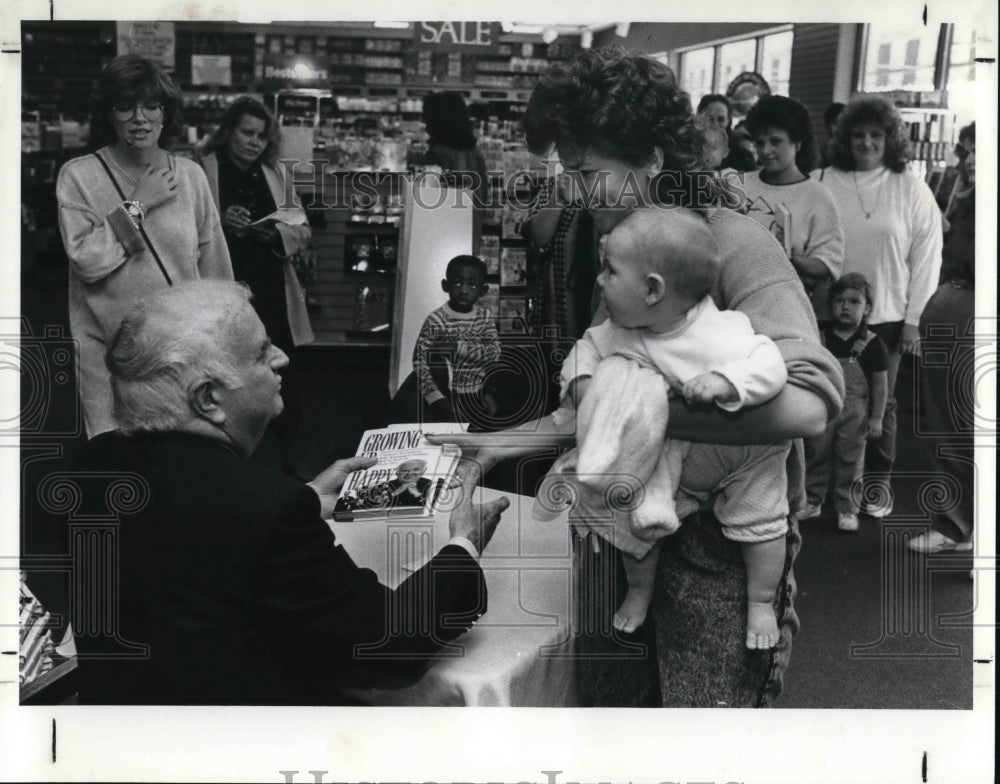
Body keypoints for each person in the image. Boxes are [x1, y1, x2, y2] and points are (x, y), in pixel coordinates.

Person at [431, 46, 844, 708]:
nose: (573, 188)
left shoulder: (729, 243)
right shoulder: (623, 243)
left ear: (652, 160)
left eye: (586, 170)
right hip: (624, 531)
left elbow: (809, 407)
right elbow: (603, 393)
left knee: (703, 737)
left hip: (721, 544)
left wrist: (635, 412)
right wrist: (506, 444)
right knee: (616, 719)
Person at [70, 280, 509, 704]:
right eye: (261, 353)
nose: (282, 358)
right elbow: (387, 646)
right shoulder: (262, 509)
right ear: (208, 399)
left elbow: (195, 552)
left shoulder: (94, 463)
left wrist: (305, 499)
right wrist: (462, 546)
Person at [537, 208, 790, 648]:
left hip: (745, 459)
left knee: (763, 522)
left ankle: (762, 602)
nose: (598, 281)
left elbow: (771, 366)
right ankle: (639, 590)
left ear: (652, 289)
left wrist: (727, 382)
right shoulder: (621, 328)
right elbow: (583, 350)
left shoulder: (720, 334)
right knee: (633, 516)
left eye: (610, 271)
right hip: (675, 456)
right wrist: (582, 384)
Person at [56, 54, 232, 438]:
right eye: (125, 106)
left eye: (151, 105)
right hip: (111, 359)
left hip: (182, 356)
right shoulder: (79, 175)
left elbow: (216, 270)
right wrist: (138, 204)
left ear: (166, 113)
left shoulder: (190, 176)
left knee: (183, 465)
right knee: (122, 470)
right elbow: (86, 260)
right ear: (108, 114)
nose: (140, 117)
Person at [813, 96, 943, 519]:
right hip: (828, 314)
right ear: (844, 138)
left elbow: (927, 255)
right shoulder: (822, 180)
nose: (866, 142)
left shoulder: (909, 185)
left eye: (875, 134)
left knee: (880, 406)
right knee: (823, 397)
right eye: (857, 134)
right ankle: (817, 490)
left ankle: (877, 487)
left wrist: (914, 320)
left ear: (891, 138)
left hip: (886, 316)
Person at [197, 96, 314, 355]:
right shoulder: (201, 170)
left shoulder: (276, 174)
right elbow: (183, 229)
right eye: (247, 132)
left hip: (270, 288)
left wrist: (277, 235)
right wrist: (220, 221)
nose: (255, 142)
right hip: (221, 284)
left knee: (274, 365)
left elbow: (304, 230)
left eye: (262, 137)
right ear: (228, 131)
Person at [909, 122, 976, 555]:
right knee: (945, 424)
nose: (967, 160)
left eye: (977, 152)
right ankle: (956, 524)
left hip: (972, 307)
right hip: (952, 303)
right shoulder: (965, 196)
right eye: (966, 150)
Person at [738, 95, 845, 323]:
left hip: (786, 312)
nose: (765, 150)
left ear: (797, 142)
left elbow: (829, 264)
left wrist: (795, 259)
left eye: (775, 141)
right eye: (759, 142)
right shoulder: (739, 185)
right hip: (736, 305)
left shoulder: (816, 195)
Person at [802, 273, 889, 532]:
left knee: (851, 462)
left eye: (854, 302)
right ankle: (812, 500)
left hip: (856, 413)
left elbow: (881, 385)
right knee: (815, 454)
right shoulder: (819, 338)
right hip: (823, 409)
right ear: (831, 305)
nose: (845, 306)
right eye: (839, 301)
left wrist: (877, 417)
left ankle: (847, 509)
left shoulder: (873, 344)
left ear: (867, 309)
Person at [412, 254, 502, 428]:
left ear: (483, 290)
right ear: (446, 285)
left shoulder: (484, 318)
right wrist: (434, 397)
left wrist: (457, 347)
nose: (464, 290)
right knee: (446, 438)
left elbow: (495, 353)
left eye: (472, 284)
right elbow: (419, 359)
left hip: (478, 393)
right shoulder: (436, 319)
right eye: (458, 283)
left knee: (478, 437)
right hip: (445, 394)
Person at [421, 91, 490, 249]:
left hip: (441, 241)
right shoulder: (476, 154)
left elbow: (426, 203)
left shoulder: (436, 155)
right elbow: (483, 197)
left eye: (427, 121)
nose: (425, 128)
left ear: (438, 123)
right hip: (470, 238)